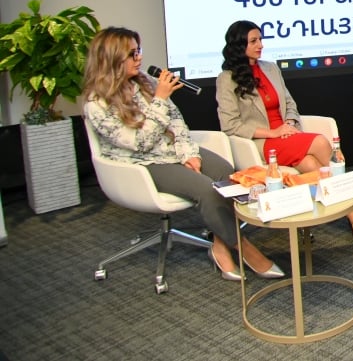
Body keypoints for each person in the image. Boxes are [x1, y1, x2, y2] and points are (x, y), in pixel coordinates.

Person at [82, 27, 282, 282]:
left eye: (138, 51)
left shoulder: (144, 82)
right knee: (208, 190)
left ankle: (220, 247)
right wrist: (160, 100)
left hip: (173, 150)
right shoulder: (96, 104)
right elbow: (139, 142)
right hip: (144, 164)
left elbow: (176, 122)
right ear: (111, 58)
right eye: (132, 54)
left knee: (228, 175)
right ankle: (247, 251)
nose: (139, 58)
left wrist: (190, 152)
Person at [216, 20, 353, 252]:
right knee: (321, 142)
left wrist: (289, 123)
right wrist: (273, 132)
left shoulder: (270, 68)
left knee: (312, 164)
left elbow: (290, 103)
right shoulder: (227, 78)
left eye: (261, 39)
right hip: (263, 142)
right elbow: (230, 125)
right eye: (253, 41)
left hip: (287, 135)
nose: (260, 45)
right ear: (239, 45)